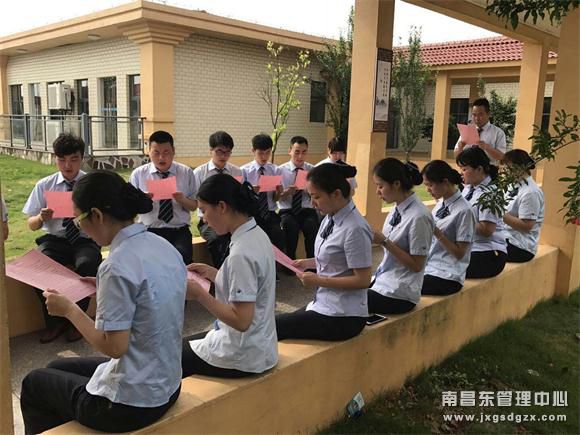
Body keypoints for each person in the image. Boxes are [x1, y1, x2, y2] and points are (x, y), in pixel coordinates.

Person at [20, 170, 186, 433]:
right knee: (56, 367)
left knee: (34, 383)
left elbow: (114, 347)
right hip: (167, 384)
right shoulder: (162, 246)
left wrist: (70, 310)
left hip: (130, 406)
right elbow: (147, 295)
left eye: (78, 220)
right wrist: (102, 290)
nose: (79, 228)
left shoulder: (116, 265)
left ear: (96, 215)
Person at [182, 174, 277, 378]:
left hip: (241, 356)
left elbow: (241, 321)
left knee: (167, 355)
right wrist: (213, 273)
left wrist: (199, 295)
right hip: (260, 346)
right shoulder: (256, 234)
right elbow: (251, 284)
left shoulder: (241, 253)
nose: (204, 219)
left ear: (222, 207)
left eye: (204, 210)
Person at [276, 163, 372, 341]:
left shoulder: (355, 228)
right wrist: (307, 263)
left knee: (273, 326)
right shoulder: (330, 217)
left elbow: (363, 280)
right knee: (271, 324)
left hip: (343, 316)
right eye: (310, 196)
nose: (312, 203)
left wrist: (318, 280)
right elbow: (337, 258)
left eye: (316, 197)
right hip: (325, 304)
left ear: (336, 194)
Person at [22, 133, 102, 343]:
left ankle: (77, 321)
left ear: (82, 158)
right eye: (62, 160)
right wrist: (41, 217)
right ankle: (55, 323)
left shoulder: (90, 184)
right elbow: (31, 225)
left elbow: (103, 218)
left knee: (88, 264)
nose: (67, 165)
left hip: (85, 238)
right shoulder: (45, 185)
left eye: (73, 159)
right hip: (54, 240)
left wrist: (85, 216)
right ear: (55, 158)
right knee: (39, 268)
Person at [369, 158, 434, 314]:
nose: (378, 192)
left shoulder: (419, 216)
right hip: (384, 281)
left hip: (400, 293)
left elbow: (417, 265)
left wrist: (384, 241)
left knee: (347, 301)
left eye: (380, 186)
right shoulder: (396, 210)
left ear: (396, 184)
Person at [129, 130, 198, 265]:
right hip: (149, 230)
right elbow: (130, 209)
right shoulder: (138, 174)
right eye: (156, 153)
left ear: (173, 151)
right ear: (149, 152)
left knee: (182, 259)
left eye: (166, 152)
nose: (161, 158)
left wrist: (182, 199)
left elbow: (194, 206)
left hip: (178, 230)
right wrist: (143, 200)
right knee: (150, 264)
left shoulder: (186, 172)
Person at [421, 160, 475, 295]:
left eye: (430, 185)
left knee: (403, 287)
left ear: (445, 182)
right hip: (430, 267)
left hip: (448, 275)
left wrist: (436, 232)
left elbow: (460, 253)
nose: (427, 190)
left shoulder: (464, 210)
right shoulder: (441, 204)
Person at [457, 147, 508, 278]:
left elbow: (486, 230)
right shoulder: (469, 188)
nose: (461, 173)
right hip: (470, 248)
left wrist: (460, 220)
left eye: (464, 169)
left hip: (488, 253)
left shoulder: (490, 193)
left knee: (445, 269)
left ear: (479, 169)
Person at [193, 131, 242, 268]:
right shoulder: (199, 173)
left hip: (231, 219)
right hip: (208, 220)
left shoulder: (236, 172)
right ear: (211, 150)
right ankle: (221, 274)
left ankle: (240, 271)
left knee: (244, 237)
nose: (223, 156)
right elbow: (196, 200)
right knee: (218, 239)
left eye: (227, 152)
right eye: (219, 151)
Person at [240, 134, 285, 254]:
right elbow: (241, 198)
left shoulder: (275, 170)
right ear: (253, 151)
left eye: (267, 153)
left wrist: (279, 191)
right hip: (252, 214)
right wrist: (250, 192)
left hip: (270, 213)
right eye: (260, 153)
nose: (264, 157)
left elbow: (276, 199)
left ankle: (277, 264)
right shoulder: (244, 171)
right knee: (256, 241)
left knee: (278, 237)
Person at [278, 136, 320, 259]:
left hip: (307, 210)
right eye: (297, 152)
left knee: (312, 227)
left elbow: (318, 195)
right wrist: (287, 192)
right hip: (287, 210)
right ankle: (290, 263)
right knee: (290, 227)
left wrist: (309, 191)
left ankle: (312, 263)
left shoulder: (312, 170)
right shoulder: (280, 170)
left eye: (304, 152)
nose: (300, 156)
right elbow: (276, 198)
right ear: (290, 151)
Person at [502, 149, 545, 262]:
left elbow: (526, 226)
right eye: (505, 167)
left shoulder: (531, 192)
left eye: (508, 167)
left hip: (520, 246)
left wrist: (499, 213)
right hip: (506, 237)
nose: (505, 171)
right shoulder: (512, 185)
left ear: (521, 167)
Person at [453, 97, 507, 165]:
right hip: (468, 168)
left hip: (489, 169)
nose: (477, 118)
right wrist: (460, 148)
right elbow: (456, 156)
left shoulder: (498, 133)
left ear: (488, 114)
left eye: (480, 114)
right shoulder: (467, 131)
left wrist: (487, 147)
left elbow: (502, 157)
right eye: (474, 115)